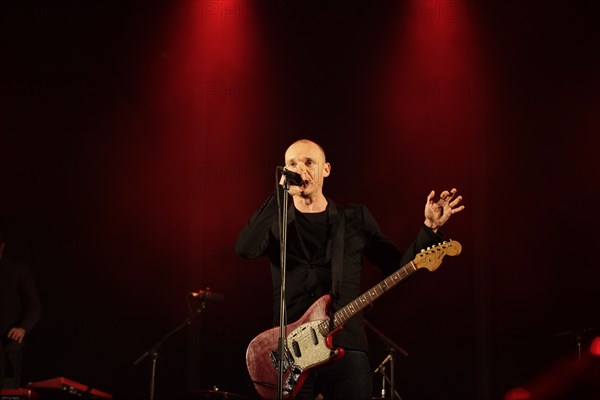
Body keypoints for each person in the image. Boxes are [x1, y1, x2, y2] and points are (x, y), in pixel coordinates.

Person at [235, 139, 465, 400]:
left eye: (309, 162)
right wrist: (279, 195)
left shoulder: (355, 218)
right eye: (292, 163)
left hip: (346, 348)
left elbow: (395, 266)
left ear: (326, 169)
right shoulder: (276, 224)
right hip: (291, 355)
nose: (300, 169)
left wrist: (429, 228)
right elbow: (245, 249)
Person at [0, 231, 42, 390]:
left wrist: (23, 328)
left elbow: (34, 306)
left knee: (8, 393)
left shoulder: (17, 269)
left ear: (2, 247)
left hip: (8, 347)